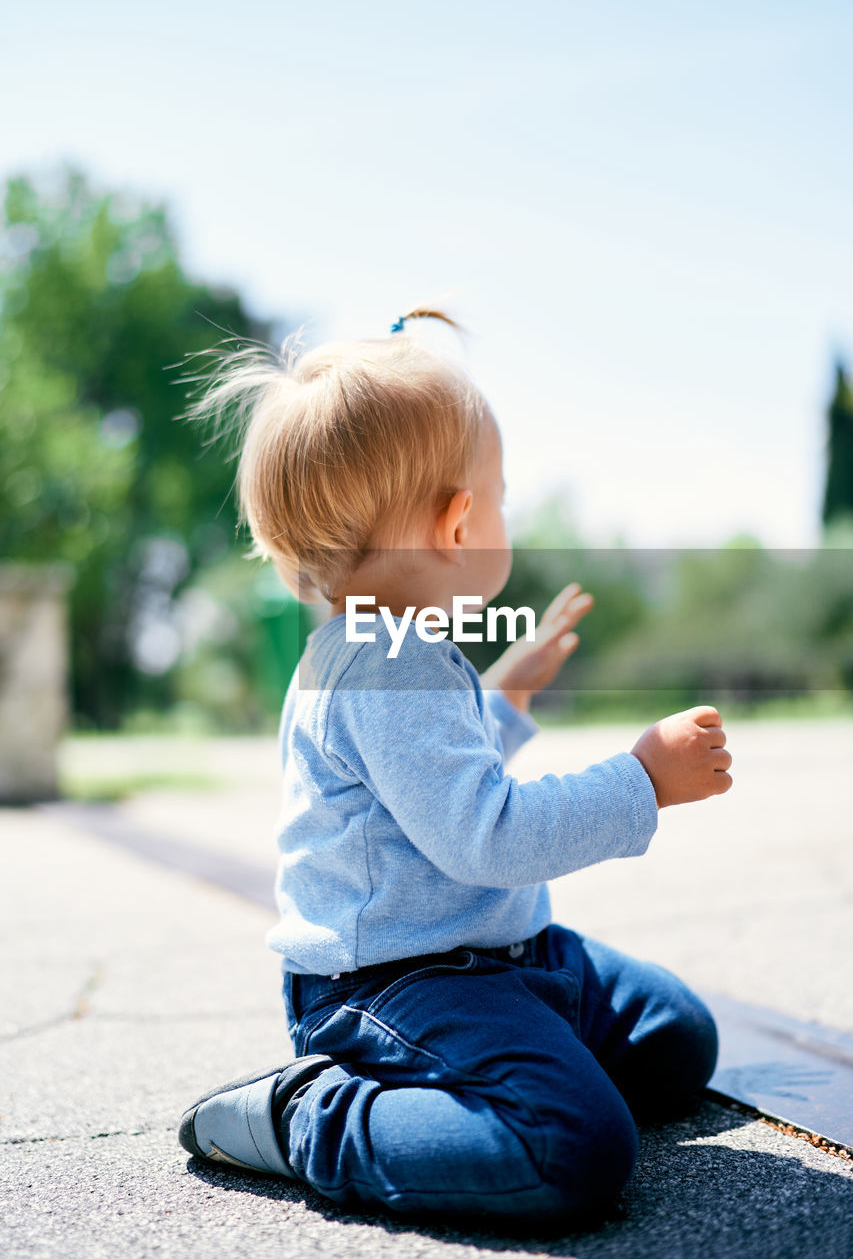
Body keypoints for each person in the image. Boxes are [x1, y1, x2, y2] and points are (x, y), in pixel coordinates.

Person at [178, 310, 732, 1228]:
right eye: (501, 495)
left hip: (504, 957)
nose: (502, 512)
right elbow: (484, 833)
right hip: (396, 986)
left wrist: (504, 694)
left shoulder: (402, 646)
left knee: (675, 1038)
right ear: (458, 522)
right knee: (573, 1147)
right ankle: (310, 1115)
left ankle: (496, 1082)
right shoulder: (380, 659)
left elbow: (435, 779)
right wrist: (641, 779)